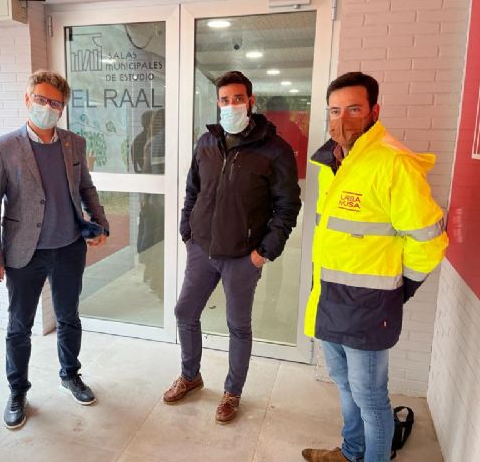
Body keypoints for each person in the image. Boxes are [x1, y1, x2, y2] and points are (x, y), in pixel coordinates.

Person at [302, 72, 448, 462]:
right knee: (345, 385)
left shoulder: (392, 162)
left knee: (369, 397)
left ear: (374, 111)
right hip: (329, 298)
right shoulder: (334, 161)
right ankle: (352, 452)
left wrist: (403, 286)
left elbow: (430, 240)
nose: (342, 119)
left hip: (367, 305)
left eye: (354, 109)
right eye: (335, 111)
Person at [163, 70, 301, 423]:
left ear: (250, 101)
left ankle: (232, 392)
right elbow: (193, 190)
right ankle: (190, 376)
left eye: (238, 98)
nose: (231, 105)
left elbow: (287, 206)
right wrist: (187, 230)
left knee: (238, 326)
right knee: (184, 312)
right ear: (218, 103)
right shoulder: (206, 142)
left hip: (243, 255)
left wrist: (264, 251)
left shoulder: (275, 150)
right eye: (224, 100)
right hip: (202, 249)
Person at [0, 69, 109, 430]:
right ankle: (17, 391)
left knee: (69, 317)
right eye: (41, 99)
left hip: (69, 247)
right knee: (19, 326)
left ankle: (70, 374)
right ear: (27, 99)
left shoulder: (74, 143)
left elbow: (86, 188)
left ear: (62, 107)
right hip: (24, 253)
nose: (48, 108)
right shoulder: (3, 148)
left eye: (56, 103)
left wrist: (100, 222)